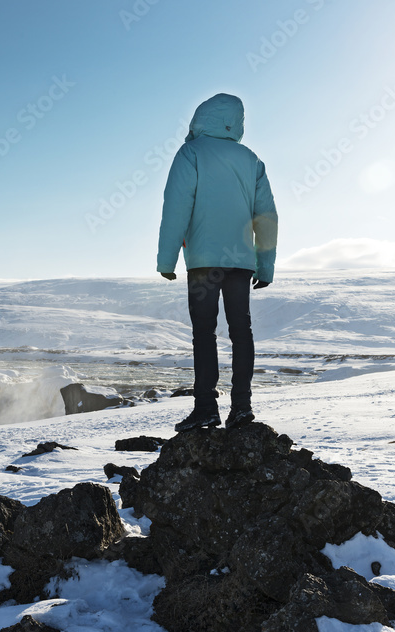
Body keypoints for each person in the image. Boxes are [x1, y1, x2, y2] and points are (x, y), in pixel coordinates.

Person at [156, 93, 278, 432]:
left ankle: (206, 409)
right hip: (241, 262)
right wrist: (264, 265)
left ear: (200, 118)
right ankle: (241, 408)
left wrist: (167, 259)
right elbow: (266, 216)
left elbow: (176, 207)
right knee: (242, 333)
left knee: (204, 334)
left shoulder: (191, 153)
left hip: (203, 263)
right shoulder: (251, 159)